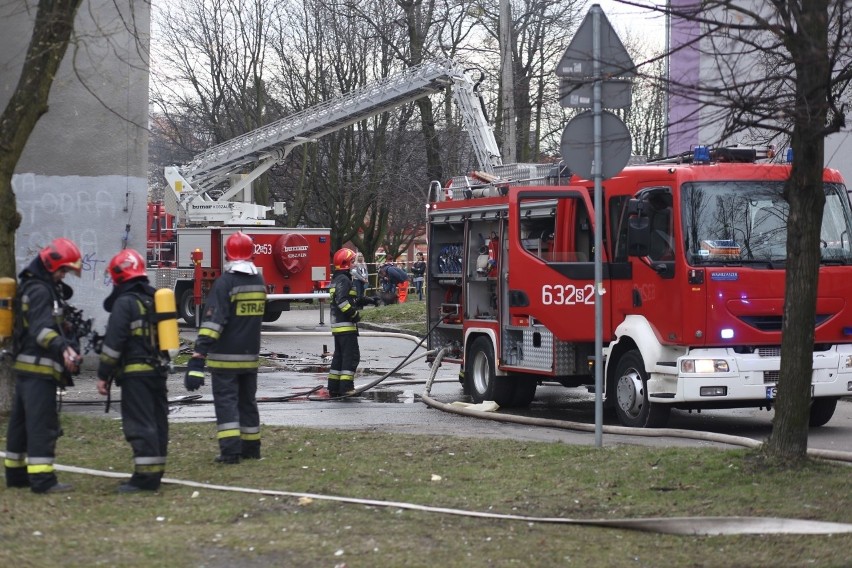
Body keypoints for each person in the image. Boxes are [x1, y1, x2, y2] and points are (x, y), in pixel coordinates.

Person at [4, 237, 82, 494]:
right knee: (41, 424)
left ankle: (16, 475)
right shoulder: (39, 290)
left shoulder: (34, 286)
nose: (64, 276)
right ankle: (43, 480)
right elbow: (40, 330)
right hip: (38, 369)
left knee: (21, 423)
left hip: (28, 368)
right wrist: (65, 347)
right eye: (63, 270)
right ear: (52, 265)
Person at [184, 232, 266, 464]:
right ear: (251, 253)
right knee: (247, 402)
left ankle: (230, 452)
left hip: (225, 359)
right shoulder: (258, 281)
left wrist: (199, 355)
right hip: (250, 357)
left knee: (227, 402)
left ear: (228, 253)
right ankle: (251, 448)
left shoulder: (225, 283)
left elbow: (212, 322)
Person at [96, 249, 169, 493]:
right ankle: (155, 473)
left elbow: (114, 343)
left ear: (118, 275)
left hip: (136, 374)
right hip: (158, 372)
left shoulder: (125, 302)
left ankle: (144, 480)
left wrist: (103, 374)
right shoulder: (154, 298)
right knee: (158, 422)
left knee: (140, 423)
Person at [327, 248, 362, 397]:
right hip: (346, 326)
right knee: (351, 356)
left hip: (339, 327)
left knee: (340, 357)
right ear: (346, 263)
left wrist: (366, 300)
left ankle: (334, 387)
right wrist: (353, 314)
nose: (355, 264)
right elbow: (341, 301)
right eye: (353, 261)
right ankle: (347, 388)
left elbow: (347, 298)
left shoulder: (337, 278)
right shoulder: (344, 279)